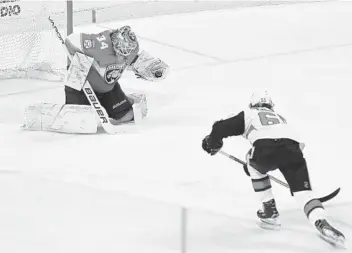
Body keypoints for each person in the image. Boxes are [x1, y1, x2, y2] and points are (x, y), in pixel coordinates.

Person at [201, 91, 345, 247]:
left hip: (265, 151)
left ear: (252, 104)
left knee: (253, 165)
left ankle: (270, 212)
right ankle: (320, 221)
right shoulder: (280, 118)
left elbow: (220, 127)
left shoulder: (249, 113)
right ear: (270, 105)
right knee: (304, 193)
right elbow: (296, 144)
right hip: (293, 151)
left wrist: (213, 143)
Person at [21, 26, 169, 133]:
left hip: (108, 88)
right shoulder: (99, 44)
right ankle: (53, 114)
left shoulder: (131, 49)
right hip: (81, 87)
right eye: (119, 53)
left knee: (127, 115)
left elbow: (137, 60)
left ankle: (114, 105)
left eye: (125, 55)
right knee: (82, 121)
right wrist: (78, 62)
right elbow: (70, 40)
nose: (121, 58)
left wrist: (152, 68)